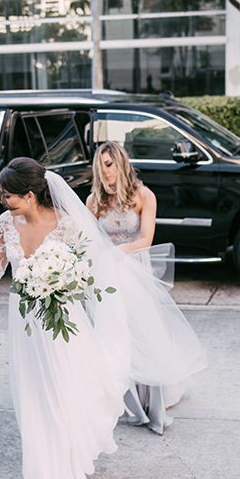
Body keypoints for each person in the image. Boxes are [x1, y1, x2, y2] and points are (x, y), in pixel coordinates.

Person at [0, 157, 206, 479]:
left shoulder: (67, 224)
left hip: (62, 321)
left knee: (67, 392)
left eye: (9, 195)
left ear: (31, 194)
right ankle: (47, 475)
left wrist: (63, 282)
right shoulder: (6, 222)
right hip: (25, 325)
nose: (3, 201)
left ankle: (69, 466)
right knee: (34, 399)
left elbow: (90, 269)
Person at [87, 141, 197, 434]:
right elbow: (90, 240)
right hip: (107, 276)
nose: (105, 172)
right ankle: (119, 398)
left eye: (109, 165)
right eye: (100, 167)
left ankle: (150, 398)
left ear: (121, 163)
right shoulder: (94, 201)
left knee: (142, 335)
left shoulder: (143, 196)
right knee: (112, 336)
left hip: (133, 272)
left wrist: (115, 253)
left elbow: (146, 240)